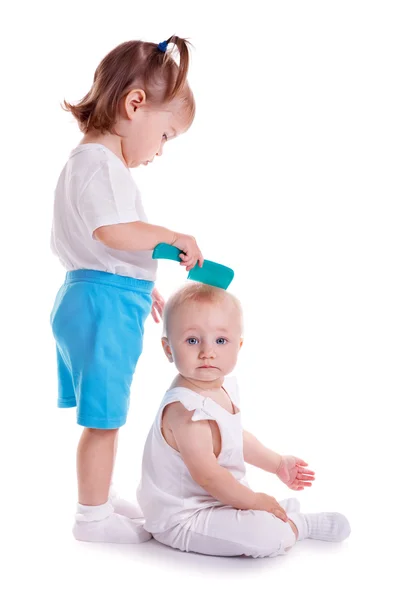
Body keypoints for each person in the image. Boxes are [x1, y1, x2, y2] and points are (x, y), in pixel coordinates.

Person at [50, 36, 204, 544]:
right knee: (105, 418)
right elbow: (113, 232)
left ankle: (98, 496)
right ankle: (91, 518)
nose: (160, 151)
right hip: (101, 303)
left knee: (103, 413)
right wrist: (171, 236)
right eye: (165, 135)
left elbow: (106, 247)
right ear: (134, 104)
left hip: (94, 294)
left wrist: (142, 284)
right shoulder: (99, 164)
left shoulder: (88, 163)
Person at [137, 283, 351, 558]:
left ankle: (276, 513)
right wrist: (253, 501)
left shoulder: (217, 387)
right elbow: (209, 476)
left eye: (221, 341)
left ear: (238, 346)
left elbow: (233, 435)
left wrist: (277, 463)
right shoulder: (185, 410)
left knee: (255, 517)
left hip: (219, 501)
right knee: (267, 539)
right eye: (192, 340)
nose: (207, 352)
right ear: (168, 349)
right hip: (182, 518)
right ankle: (299, 524)